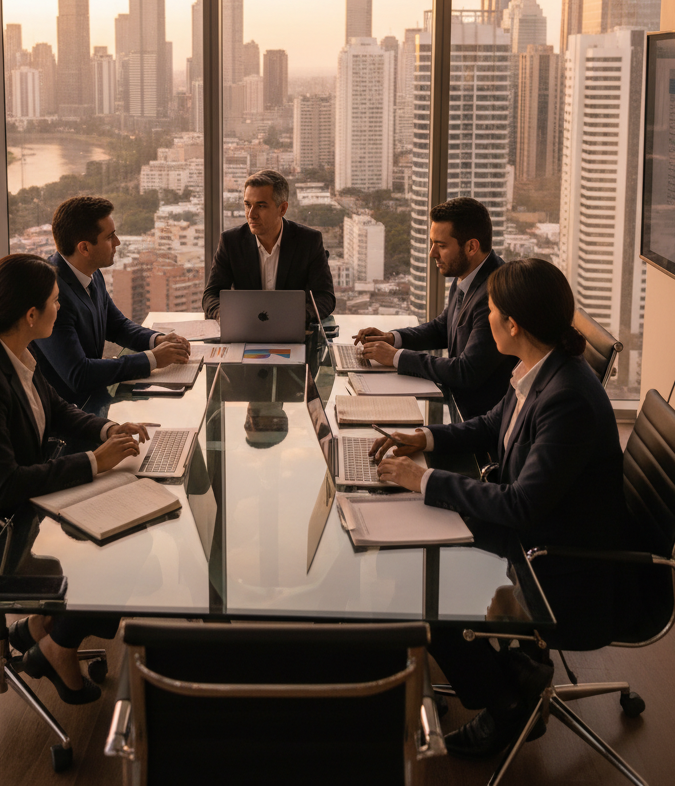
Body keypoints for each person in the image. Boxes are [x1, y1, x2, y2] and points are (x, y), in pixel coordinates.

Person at [369, 258, 634, 757]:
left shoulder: (568, 399)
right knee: (416, 553)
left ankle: (507, 706)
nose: (482, 318)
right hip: (540, 536)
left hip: (561, 564)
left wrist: (422, 478)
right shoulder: (540, 366)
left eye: (489, 310)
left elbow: (521, 504)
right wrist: (422, 437)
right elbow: (490, 426)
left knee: (426, 590)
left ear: (513, 324)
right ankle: (509, 672)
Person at [0, 253, 151, 705]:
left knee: (133, 524)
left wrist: (109, 430)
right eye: (55, 301)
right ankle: (56, 647)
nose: (60, 308)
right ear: (31, 315)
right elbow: (5, 486)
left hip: (15, 514)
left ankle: (40, 627)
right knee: (125, 544)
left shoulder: (12, 353)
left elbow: (59, 411)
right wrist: (95, 463)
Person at [354, 197, 515, 418]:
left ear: (471, 247)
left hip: (477, 422)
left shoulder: (496, 294)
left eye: (441, 246)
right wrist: (392, 338)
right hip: (458, 408)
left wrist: (396, 357)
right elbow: (442, 328)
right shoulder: (468, 276)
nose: (432, 254)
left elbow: (465, 372)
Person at [33, 195, 190, 406]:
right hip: (68, 417)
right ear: (84, 248)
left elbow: (116, 326)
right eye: (110, 237)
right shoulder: (51, 294)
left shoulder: (91, 273)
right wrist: (152, 359)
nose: (117, 242)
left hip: (94, 403)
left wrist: (158, 340)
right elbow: (79, 374)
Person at [202, 170, 335, 322]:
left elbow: (325, 296)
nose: (251, 214)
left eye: (261, 206)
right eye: (247, 205)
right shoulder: (231, 241)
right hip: (245, 329)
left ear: (282, 209)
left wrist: (297, 318)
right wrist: (224, 314)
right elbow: (211, 295)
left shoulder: (309, 241)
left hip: (292, 332)